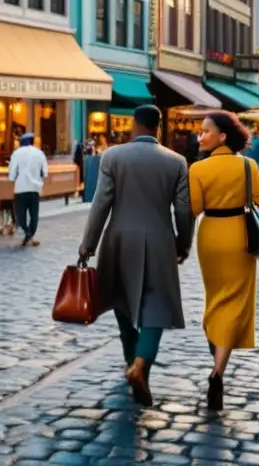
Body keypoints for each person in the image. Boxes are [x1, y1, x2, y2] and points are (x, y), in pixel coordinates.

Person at [78, 105, 192, 408]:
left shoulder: (113, 156)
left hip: (118, 239)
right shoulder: (177, 162)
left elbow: (101, 203)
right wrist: (184, 242)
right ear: (158, 126)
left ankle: (130, 360)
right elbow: (183, 209)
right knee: (156, 308)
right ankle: (141, 365)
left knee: (120, 299)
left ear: (134, 124)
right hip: (159, 240)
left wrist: (88, 243)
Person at [188, 111, 259, 410]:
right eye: (200, 132)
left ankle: (216, 358)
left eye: (206, 131)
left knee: (214, 298)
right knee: (235, 300)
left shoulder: (198, 168)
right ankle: (218, 372)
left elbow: (195, 208)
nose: (201, 136)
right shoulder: (248, 165)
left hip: (210, 235)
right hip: (239, 235)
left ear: (222, 135)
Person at [9, 132, 49, 246]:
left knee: (20, 213)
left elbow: (12, 174)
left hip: (20, 188)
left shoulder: (16, 153)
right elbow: (45, 173)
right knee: (34, 214)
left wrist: (14, 177)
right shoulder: (39, 153)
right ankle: (30, 234)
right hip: (35, 188)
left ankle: (26, 231)